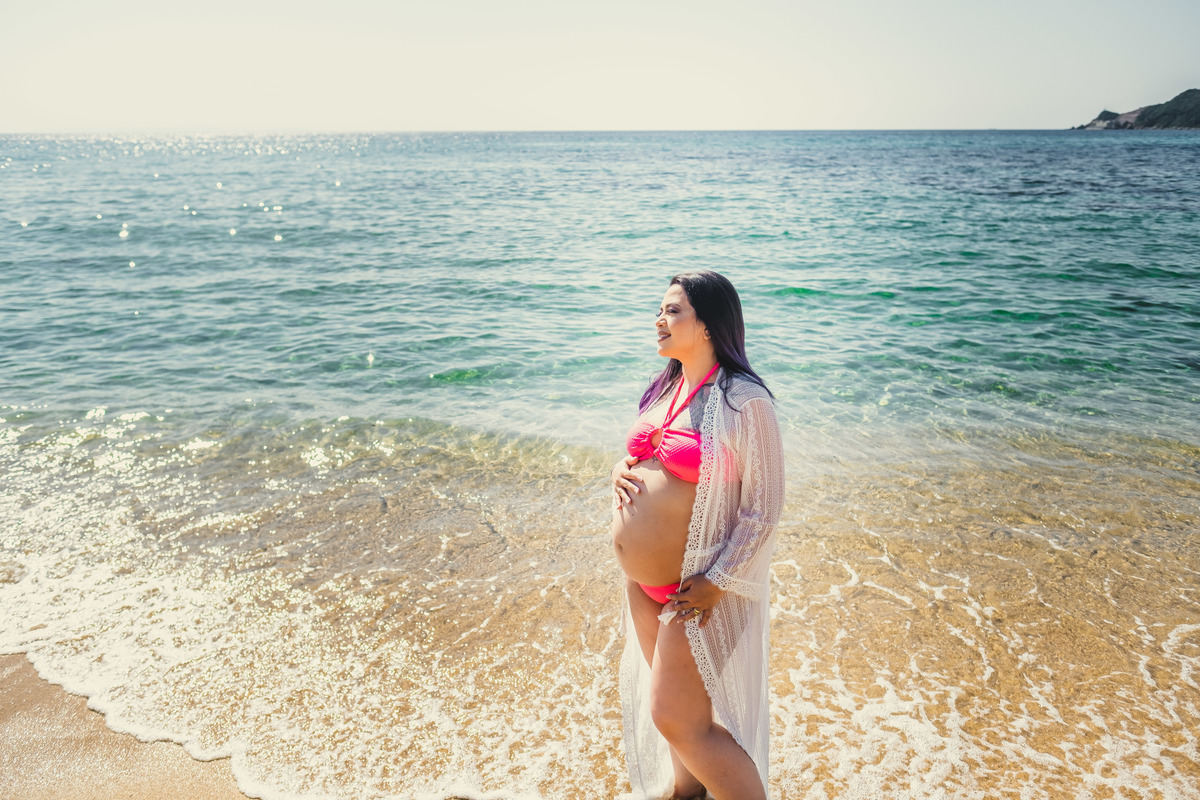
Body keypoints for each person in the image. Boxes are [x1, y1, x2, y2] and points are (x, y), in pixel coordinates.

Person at [610, 271, 785, 800]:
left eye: (672, 311)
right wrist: (621, 467)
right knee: (679, 715)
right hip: (644, 586)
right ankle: (687, 793)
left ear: (707, 324)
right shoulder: (667, 387)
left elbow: (765, 506)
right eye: (660, 310)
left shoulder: (743, 400)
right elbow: (652, 459)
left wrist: (720, 580)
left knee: (678, 718)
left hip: (698, 587)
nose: (659, 320)